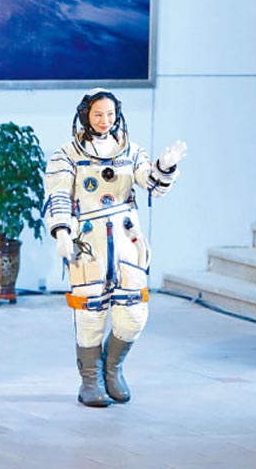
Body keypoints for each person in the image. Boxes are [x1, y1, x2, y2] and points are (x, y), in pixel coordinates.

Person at [43, 88, 186, 407]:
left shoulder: (131, 151)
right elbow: (58, 194)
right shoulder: (67, 155)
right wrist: (62, 232)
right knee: (90, 315)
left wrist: (165, 167)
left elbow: (152, 185)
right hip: (88, 244)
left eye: (110, 114)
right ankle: (90, 381)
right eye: (98, 115)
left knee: (133, 315)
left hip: (127, 241)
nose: (105, 121)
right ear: (85, 116)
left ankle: (113, 369)